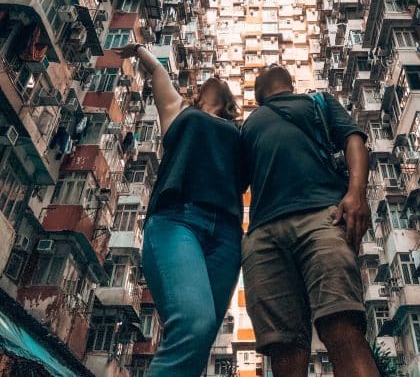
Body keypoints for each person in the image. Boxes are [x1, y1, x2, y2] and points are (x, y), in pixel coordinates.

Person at [241, 64, 379, 377]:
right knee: (284, 350)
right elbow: (234, 180)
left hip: (323, 218)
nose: (265, 71)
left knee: (342, 328)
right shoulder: (249, 124)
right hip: (263, 236)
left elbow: (354, 140)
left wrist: (356, 193)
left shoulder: (318, 102)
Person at [118, 43, 244, 377]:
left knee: (197, 345)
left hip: (228, 237)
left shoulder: (240, 132)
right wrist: (140, 51)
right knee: (193, 323)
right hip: (178, 220)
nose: (215, 78)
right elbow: (159, 72)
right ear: (198, 93)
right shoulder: (178, 110)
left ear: (231, 103)